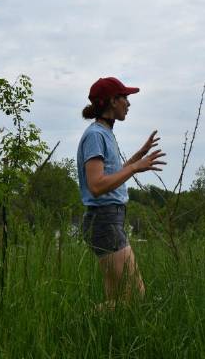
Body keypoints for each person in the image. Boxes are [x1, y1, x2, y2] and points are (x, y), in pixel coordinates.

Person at [77, 77, 166, 309]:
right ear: (111, 101)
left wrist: (139, 156)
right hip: (104, 220)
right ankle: (80, 322)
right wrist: (136, 167)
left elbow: (113, 175)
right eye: (124, 97)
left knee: (116, 297)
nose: (128, 103)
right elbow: (96, 186)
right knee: (135, 296)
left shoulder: (105, 133)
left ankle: (99, 336)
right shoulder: (96, 135)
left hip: (108, 219)